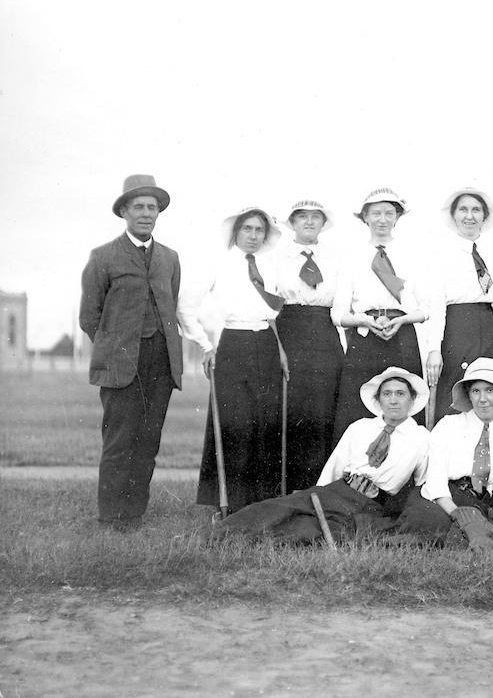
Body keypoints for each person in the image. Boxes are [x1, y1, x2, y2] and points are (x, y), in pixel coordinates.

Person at [216, 367, 430, 544]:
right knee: (283, 507)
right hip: (339, 490)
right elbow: (336, 465)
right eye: (387, 394)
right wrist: (317, 494)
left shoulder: (421, 438)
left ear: (412, 400)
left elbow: (425, 483)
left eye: (400, 394)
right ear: (379, 400)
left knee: (305, 531)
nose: (393, 400)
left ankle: (243, 542)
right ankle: (220, 534)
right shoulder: (361, 427)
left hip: (371, 505)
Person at [79, 174, 183, 528]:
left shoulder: (170, 258)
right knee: (119, 441)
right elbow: (89, 316)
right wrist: (116, 346)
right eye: (138, 206)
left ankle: (134, 514)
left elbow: (171, 306)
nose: (145, 213)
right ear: (124, 211)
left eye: (152, 207)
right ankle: (110, 516)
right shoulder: (103, 256)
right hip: (121, 364)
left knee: (148, 442)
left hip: (162, 362)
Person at [178, 208, 288, 514]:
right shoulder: (220, 263)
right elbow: (186, 307)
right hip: (233, 343)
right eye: (247, 229)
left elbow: (277, 313)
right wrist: (204, 344)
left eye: (259, 230)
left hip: (266, 344)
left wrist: (279, 349)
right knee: (234, 424)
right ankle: (229, 505)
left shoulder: (272, 266)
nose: (253, 236)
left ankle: (262, 505)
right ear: (236, 232)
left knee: (266, 424)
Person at [397, 358, 493, 553]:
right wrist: (458, 514)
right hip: (438, 498)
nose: (483, 399)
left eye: (490, 390)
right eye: (476, 391)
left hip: (475, 502)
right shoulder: (448, 424)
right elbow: (434, 480)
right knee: (431, 523)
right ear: (468, 394)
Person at [335, 188, 429, 437]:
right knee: (359, 408)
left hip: (402, 335)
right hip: (365, 338)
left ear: (397, 217)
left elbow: (426, 308)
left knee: (403, 409)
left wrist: (403, 319)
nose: (382, 219)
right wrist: (363, 320)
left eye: (389, 213)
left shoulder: (413, 255)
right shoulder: (351, 258)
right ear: (365, 217)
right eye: (376, 213)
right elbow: (338, 313)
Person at [273, 200, 345, 490]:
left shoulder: (336, 257)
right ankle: (287, 487)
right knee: (291, 408)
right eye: (302, 216)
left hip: (325, 332)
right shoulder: (277, 257)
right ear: (291, 222)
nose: (309, 222)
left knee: (324, 408)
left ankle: (320, 486)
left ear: (323, 222)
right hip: (290, 328)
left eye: (316, 217)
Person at [425, 188, 493, 420]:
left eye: (476, 210)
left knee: (492, 385)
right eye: (463, 209)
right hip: (457, 326)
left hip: (489, 326)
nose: (469, 216)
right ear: (454, 215)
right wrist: (434, 349)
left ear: (484, 216)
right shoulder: (441, 253)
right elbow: (437, 303)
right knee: (457, 391)